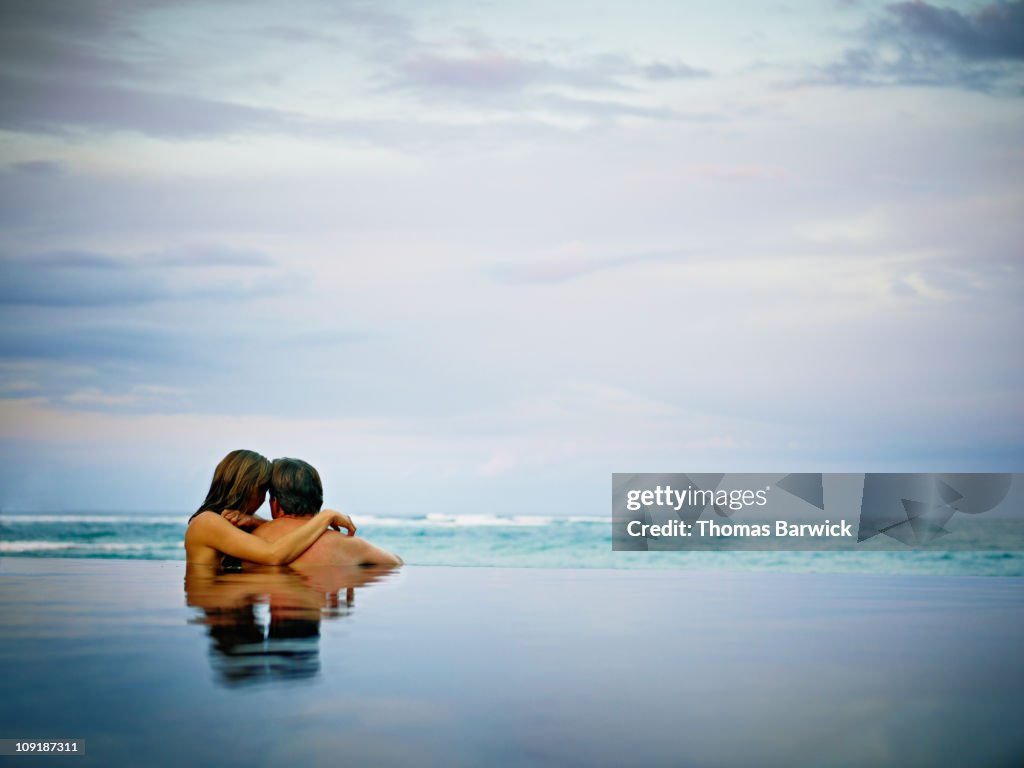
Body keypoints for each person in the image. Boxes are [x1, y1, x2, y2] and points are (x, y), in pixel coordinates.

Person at [184, 449, 356, 567]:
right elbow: (274, 555)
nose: (266, 498)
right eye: (264, 489)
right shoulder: (207, 522)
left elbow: (281, 535)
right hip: (219, 611)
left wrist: (257, 523)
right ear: (247, 488)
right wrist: (325, 516)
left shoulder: (233, 522)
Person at [247, 457, 403, 567]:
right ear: (318, 501)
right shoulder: (351, 546)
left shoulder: (248, 540)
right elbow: (397, 562)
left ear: (275, 504)